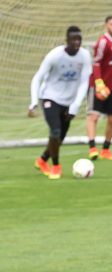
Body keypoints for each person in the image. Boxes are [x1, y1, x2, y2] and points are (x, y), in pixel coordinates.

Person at [28, 26, 93, 180]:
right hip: (50, 97)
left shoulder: (84, 56)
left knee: (60, 138)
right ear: (67, 40)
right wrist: (33, 102)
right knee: (55, 131)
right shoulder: (55, 55)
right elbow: (37, 78)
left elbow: (85, 82)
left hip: (68, 102)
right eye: (73, 39)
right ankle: (56, 166)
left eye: (79, 39)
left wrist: (75, 105)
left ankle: (42, 160)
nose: (77, 42)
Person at [86, 14, 112, 160]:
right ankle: (92, 148)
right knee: (94, 115)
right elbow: (96, 63)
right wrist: (98, 83)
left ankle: (106, 150)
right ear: (106, 25)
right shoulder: (103, 42)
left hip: (111, 88)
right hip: (98, 86)